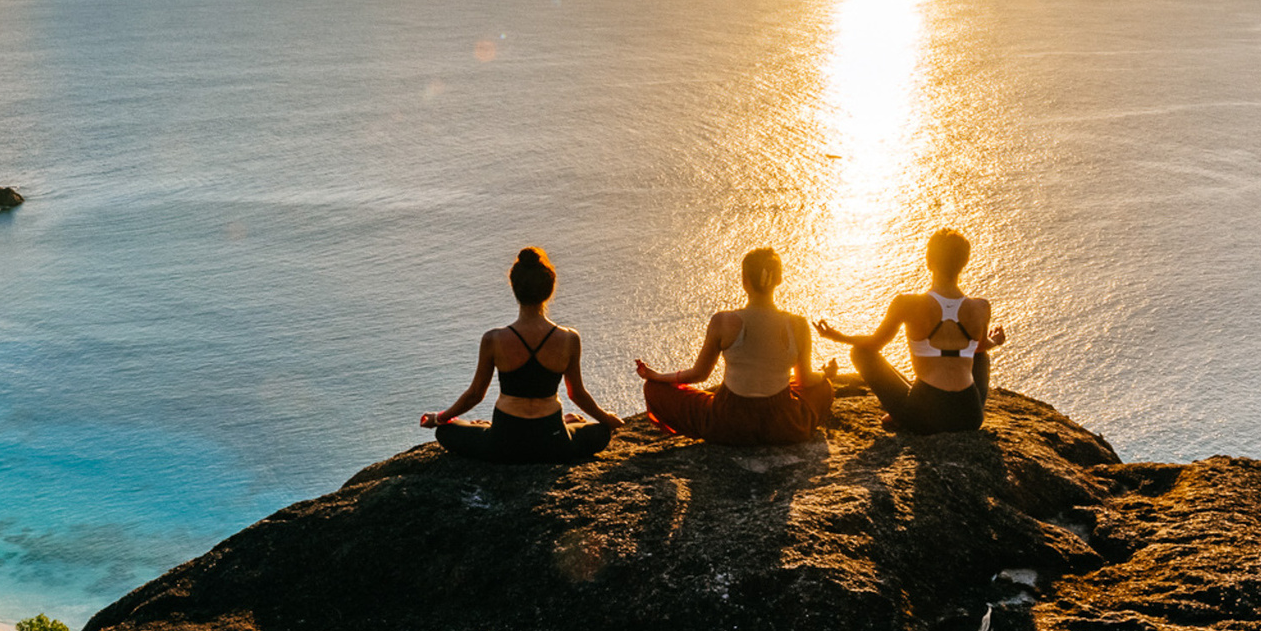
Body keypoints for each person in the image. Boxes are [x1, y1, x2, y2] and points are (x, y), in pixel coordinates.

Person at [423, 246, 622, 463]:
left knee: (445, 431)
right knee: (601, 432)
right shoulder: (569, 339)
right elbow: (577, 394)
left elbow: (475, 395)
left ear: (514, 288)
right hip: (554, 442)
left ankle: (489, 429)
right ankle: (566, 423)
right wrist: (608, 419)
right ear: (550, 288)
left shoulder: (493, 339)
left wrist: (440, 418)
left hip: (503, 443)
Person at [815, 228, 1007, 436]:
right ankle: (906, 410)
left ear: (929, 261)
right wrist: (994, 341)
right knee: (981, 355)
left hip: (923, 418)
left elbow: (873, 345)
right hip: (969, 417)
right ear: (964, 263)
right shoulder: (981, 307)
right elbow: (979, 347)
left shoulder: (907, 304)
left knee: (859, 352)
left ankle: (900, 415)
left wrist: (836, 336)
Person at [633, 247, 833, 445]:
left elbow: (699, 375)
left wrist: (657, 377)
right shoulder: (798, 324)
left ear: (744, 280)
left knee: (653, 389)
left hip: (729, 423)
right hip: (782, 423)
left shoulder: (723, 322)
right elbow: (805, 380)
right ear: (779, 279)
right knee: (823, 387)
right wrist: (824, 375)